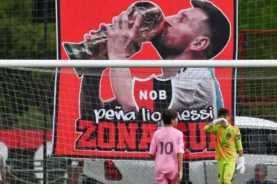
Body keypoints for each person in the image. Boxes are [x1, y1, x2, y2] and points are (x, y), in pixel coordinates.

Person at [82, 0, 230, 117]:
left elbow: (129, 106)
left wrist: (118, 55)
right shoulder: (164, 85)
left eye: (181, 20)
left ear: (198, 43)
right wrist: (97, 64)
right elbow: (94, 116)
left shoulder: (199, 77)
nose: (167, 19)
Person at [203, 108, 245, 184]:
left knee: (227, 181)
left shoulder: (235, 130)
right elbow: (205, 129)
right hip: (221, 160)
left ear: (228, 117)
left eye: (225, 116)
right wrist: (215, 122)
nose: (224, 119)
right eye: (221, 117)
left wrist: (241, 160)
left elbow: (239, 145)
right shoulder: (218, 128)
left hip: (231, 160)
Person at [149, 108, 185, 184]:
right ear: (173, 120)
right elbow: (180, 153)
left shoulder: (157, 133)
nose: (178, 120)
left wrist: (159, 158)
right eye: (177, 118)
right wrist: (180, 170)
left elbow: (151, 153)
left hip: (160, 167)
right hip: (173, 167)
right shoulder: (179, 134)